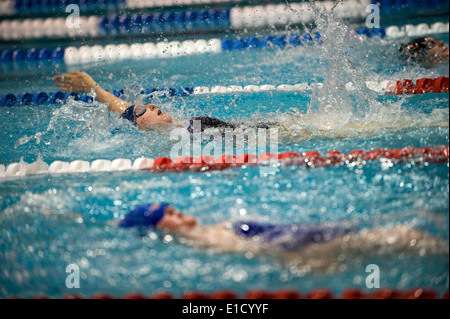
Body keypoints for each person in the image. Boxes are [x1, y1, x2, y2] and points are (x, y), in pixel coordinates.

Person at [118, 203, 447, 271]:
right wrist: (309, 261)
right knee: (408, 235)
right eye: (170, 217)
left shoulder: (208, 229)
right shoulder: (206, 240)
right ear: (158, 230)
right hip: (310, 246)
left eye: (176, 209)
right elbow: (265, 251)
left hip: (309, 236)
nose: (182, 215)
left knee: (409, 234)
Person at [53, 71, 237, 132]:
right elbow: (124, 109)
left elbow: (122, 106)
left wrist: (92, 86)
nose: (152, 105)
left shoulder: (184, 126)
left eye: (148, 105)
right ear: (140, 125)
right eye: (141, 109)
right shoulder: (168, 139)